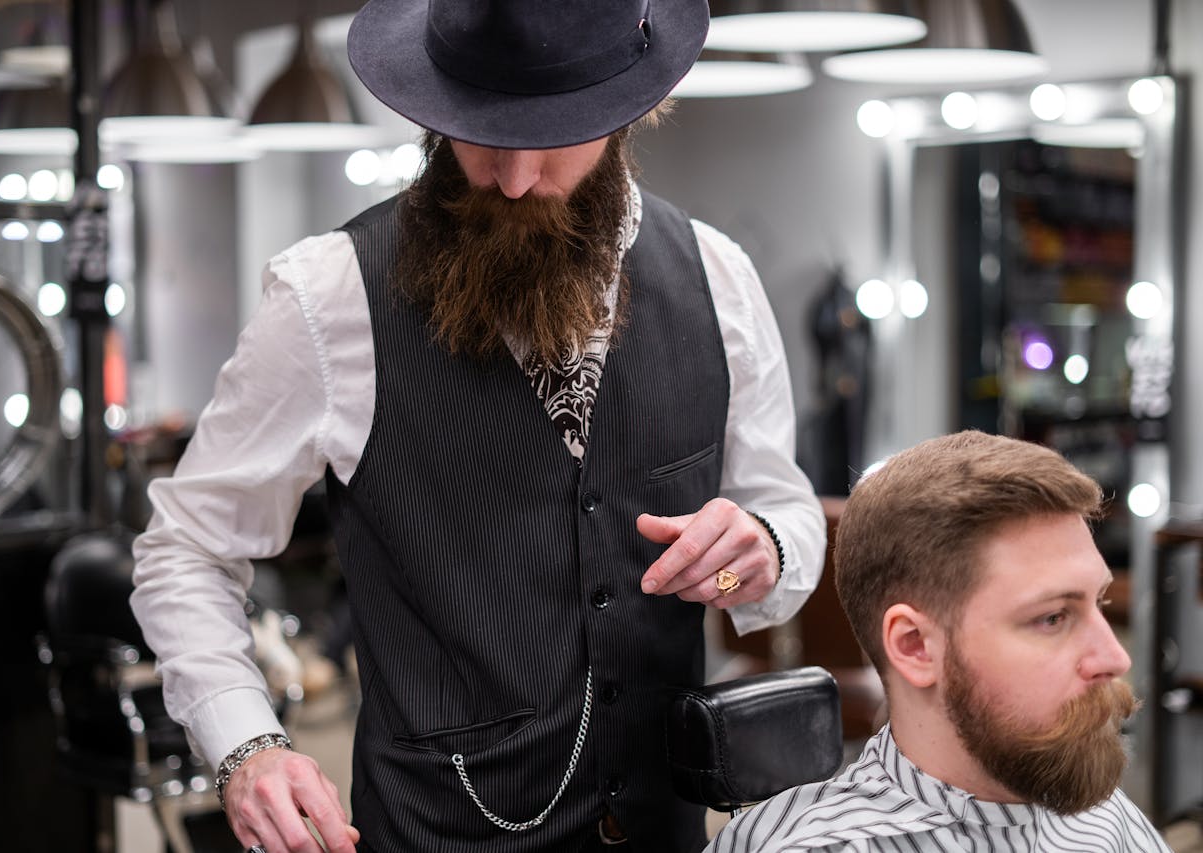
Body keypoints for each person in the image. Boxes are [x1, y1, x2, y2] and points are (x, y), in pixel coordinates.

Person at [130, 2, 826, 851]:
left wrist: (765, 543)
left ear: (629, 105)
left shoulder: (719, 280)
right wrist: (246, 743)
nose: (516, 176)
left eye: (557, 133)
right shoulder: (331, 297)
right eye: (484, 133)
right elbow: (186, 547)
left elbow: (785, 511)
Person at [706, 430, 1171, 853]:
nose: (1115, 657)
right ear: (915, 646)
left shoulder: (1100, 815)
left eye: (1100, 604)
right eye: (1052, 617)